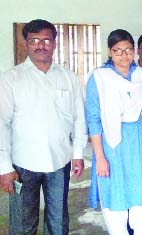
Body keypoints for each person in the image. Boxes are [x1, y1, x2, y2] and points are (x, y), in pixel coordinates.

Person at [86, 29, 142, 235]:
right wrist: (100, 157)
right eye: (118, 51)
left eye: (128, 50)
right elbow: (93, 119)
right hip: (112, 142)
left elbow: (138, 105)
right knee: (116, 189)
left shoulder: (138, 75)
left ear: (134, 51)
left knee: (141, 190)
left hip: (137, 137)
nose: (124, 55)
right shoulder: (100, 78)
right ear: (110, 52)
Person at [0, 19, 87, 234]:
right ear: (25, 43)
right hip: (22, 164)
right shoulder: (11, 79)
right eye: (34, 40)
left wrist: (77, 154)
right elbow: (2, 123)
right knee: (22, 224)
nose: (41, 45)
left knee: (58, 222)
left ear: (55, 43)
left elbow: (79, 118)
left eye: (46, 40)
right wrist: (4, 167)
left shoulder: (69, 77)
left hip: (59, 161)